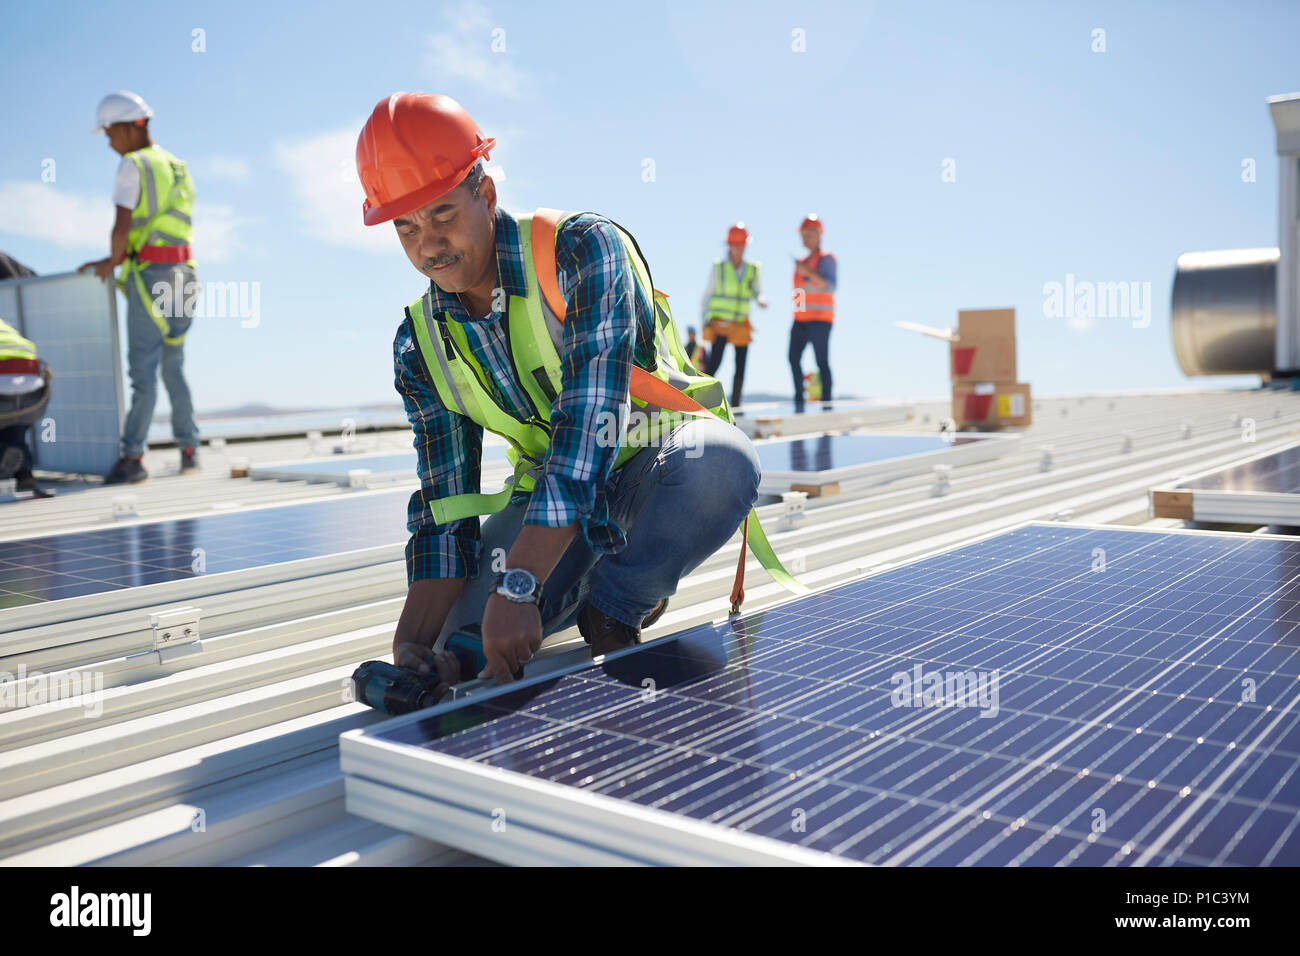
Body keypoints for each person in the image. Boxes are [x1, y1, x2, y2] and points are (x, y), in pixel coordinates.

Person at [358, 93, 760, 695]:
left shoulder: (579, 251)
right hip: (552, 499)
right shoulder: (419, 343)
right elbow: (447, 500)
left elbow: (589, 420)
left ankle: (614, 606)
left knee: (722, 463)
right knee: (455, 641)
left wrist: (519, 584)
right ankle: (575, 575)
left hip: (652, 467)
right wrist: (412, 639)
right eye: (407, 228)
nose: (429, 246)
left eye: (442, 214)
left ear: (486, 194)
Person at [78, 90, 200, 483]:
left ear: (131, 126)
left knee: (143, 373)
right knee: (173, 367)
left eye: (110, 131)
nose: (109, 141)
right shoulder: (177, 165)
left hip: (151, 277)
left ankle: (132, 460)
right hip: (185, 274)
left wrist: (111, 262)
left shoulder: (133, 165)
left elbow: (122, 227)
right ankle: (189, 449)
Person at [700, 222, 766, 408]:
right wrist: (704, 319)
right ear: (729, 245)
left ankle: (736, 404)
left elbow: (757, 291)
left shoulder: (752, 269)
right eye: (735, 245)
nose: (738, 249)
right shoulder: (719, 268)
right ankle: (704, 401)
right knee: (714, 363)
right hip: (720, 323)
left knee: (740, 366)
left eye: (741, 245)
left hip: (740, 323)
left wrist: (761, 300)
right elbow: (707, 294)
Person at [789, 213, 837, 412]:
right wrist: (797, 315)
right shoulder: (801, 262)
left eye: (809, 234)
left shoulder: (827, 259)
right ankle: (799, 400)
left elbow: (830, 286)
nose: (805, 238)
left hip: (821, 319)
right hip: (801, 320)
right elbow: (798, 291)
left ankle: (827, 403)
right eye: (804, 234)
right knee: (793, 358)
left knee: (821, 361)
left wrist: (808, 272)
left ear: (818, 235)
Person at [0, 316, 52, 495]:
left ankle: (2, 453)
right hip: (32, 392)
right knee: (14, 420)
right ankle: (24, 472)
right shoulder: (4, 325)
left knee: (5, 411)